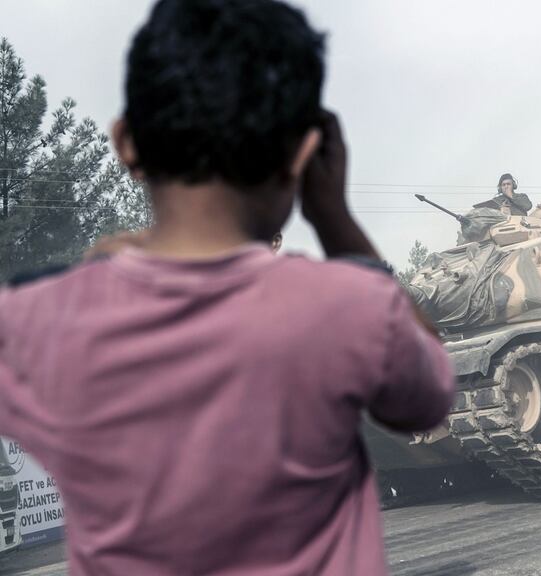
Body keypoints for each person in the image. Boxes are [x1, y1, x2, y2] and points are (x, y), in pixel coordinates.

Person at [0, 1, 454, 574]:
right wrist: (335, 218)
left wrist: (86, 277)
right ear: (305, 155)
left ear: (126, 143)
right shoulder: (351, 306)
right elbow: (429, 398)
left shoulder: (30, 322)